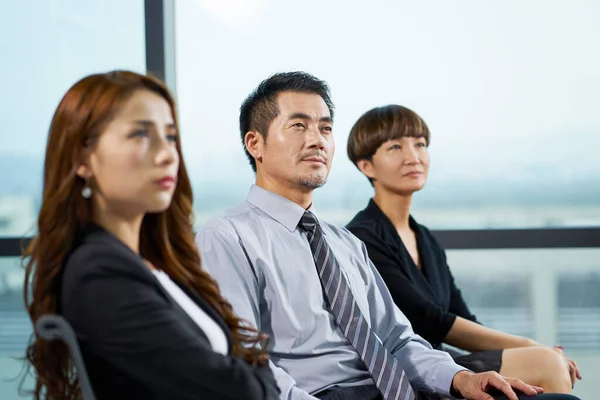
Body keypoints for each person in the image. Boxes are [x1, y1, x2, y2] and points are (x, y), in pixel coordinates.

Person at [196, 72, 575, 400]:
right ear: (255, 144)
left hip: (405, 388)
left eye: (325, 128)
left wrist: (461, 378)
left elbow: (398, 340)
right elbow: (244, 358)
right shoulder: (227, 237)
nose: (317, 140)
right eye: (299, 126)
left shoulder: (344, 244)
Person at [22, 70, 280, 400]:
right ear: (82, 158)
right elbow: (240, 393)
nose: (167, 154)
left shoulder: (155, 263)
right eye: (141, 134)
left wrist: (253, 371)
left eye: (170, 136)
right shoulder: (99, 275)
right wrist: (257, 373)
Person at [345, 104, 581, 395]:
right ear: (366, 165)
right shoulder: (361, 237)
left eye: (420, 144)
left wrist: (533, 350)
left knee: (546, 365)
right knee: (546, 363)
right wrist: (532, 347)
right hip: (410, 370)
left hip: (444, 361)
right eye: (395, 147)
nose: (414, 157)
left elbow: (463, 318)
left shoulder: (425, 239)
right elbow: (430, 321)